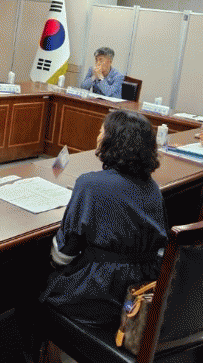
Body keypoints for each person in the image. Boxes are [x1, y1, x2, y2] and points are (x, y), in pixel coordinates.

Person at [39, 109, 167, 327]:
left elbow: (62, 255)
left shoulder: (90, 184)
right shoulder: (153, 188)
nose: (98, 136)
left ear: (113, 141)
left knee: (32, 283)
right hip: (138, 295)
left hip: (99, 293)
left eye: (102, 132)